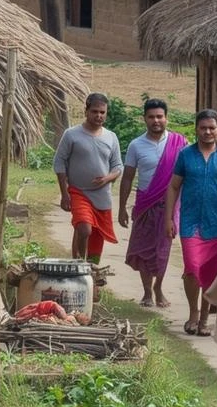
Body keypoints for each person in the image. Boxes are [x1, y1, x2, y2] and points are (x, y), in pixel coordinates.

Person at [165, 109, 217, 336]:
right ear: (196, 129)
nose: (207, 132)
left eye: (212, 128)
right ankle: (193, 313)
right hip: (191, 223)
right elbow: (174, 186)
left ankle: (205, 319)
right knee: (192, 268)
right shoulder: (185, 155)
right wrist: (169, 218)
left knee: (211, 273)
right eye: (203, 128)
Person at [117, 99, 188, 308]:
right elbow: (128, 177)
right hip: (145, 203)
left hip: (170, 205)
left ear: (166, 118)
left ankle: (159, 287)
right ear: (145, 119)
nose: (156, 120)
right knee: (143, 247)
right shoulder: (136, 145)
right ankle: (147, 291)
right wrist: (121, 207)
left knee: (163, 248)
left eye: (160, 116)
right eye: (151, 117)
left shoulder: (180, 143)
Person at [53, 93, 122, 264]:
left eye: (102, 112)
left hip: (102, 195)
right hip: (78, 192)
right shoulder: (71, 135)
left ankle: (92, 269)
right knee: (84, 228)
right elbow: (59, 162)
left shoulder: (111, 137)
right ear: (86, 111)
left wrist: (107, 178)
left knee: (96, 235)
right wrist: (64, 193)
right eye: (94, 111)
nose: (98, 116)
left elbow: (118, 166)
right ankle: (79, 264)